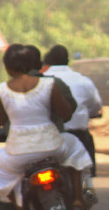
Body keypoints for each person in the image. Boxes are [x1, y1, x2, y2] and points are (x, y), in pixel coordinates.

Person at [0, 44, 93, 210]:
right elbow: (66, 113)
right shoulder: (49, 84)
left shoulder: (2, 90)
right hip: (52, 145)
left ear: (7, 67)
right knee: (75, 146)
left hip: (19, 150)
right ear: (35, 64)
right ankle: (77, 197)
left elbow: (1, 120)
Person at [42, 44, 102, 176]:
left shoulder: (40, 80)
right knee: (84, 170)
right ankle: (86, 189)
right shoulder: (83, 80)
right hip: (78, 135)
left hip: (46, 137)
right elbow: (96, 106)